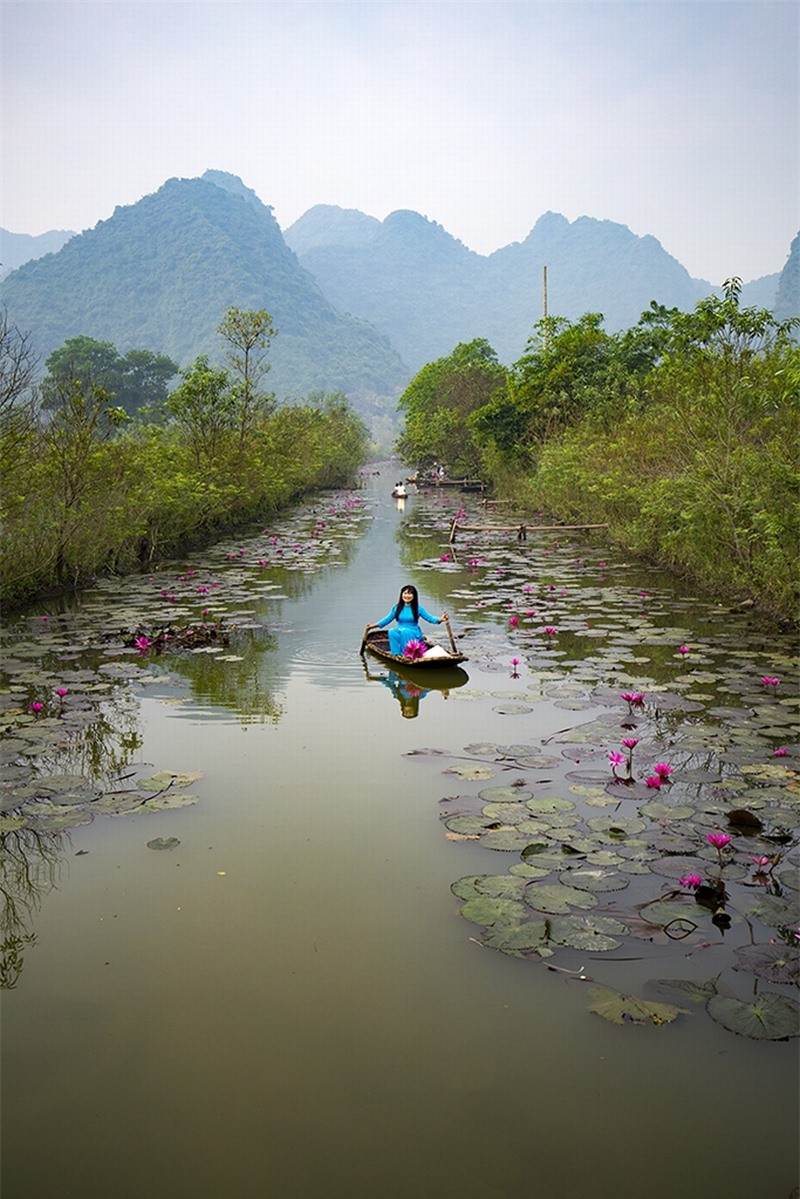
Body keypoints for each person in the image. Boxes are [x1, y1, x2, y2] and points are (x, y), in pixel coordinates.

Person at [367, 584, 449, 657]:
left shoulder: (418, 608)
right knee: (391, 631)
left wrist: (440, 619)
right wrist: (372, 626)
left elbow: (430, 618)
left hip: (413, 633)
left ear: (414, 596)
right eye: (405, 593)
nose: (407, 596)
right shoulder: (396, 608)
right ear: (401, 595)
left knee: (405, 632)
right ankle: (396, 654)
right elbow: (387, 619)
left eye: (409, 593)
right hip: (400, 631)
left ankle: (407, 655)